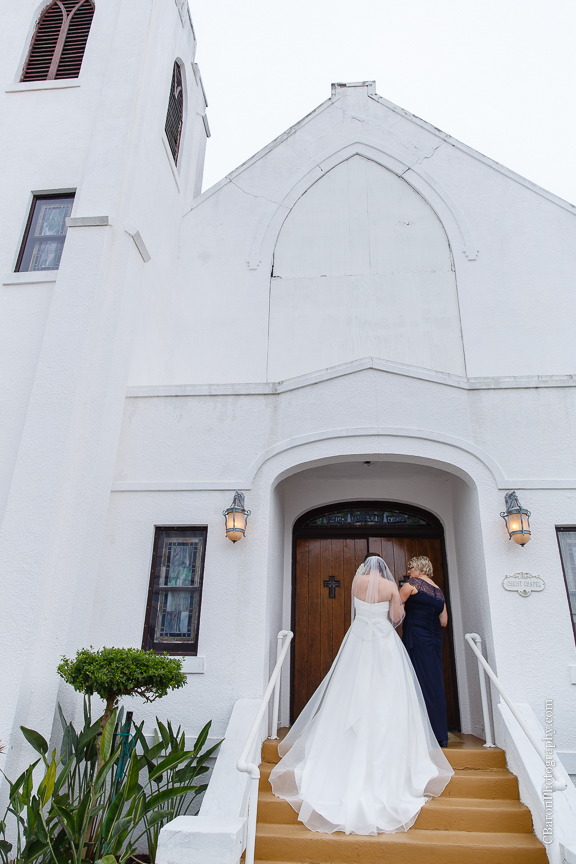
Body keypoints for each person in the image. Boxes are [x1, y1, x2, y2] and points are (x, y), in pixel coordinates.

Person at [269, 556, 453, 835]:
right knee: (389, 692)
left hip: (357, 639)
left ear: (365, 569)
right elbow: (396, 617)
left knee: (349, 688)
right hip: (383, 641)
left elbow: (355, 610)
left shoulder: (356, 582)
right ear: (384, 570)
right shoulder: (392, 586)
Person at [399, 556, 449, 747]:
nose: (409, 571)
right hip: (435, 637)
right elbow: (443, 621)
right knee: (434, 680)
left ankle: (418, 732)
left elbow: (397, 611)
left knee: (416, 679)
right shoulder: (438, 591)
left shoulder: (411, 585)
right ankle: (440, 734)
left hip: (417, 635)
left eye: (410, 567)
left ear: (419, 569)